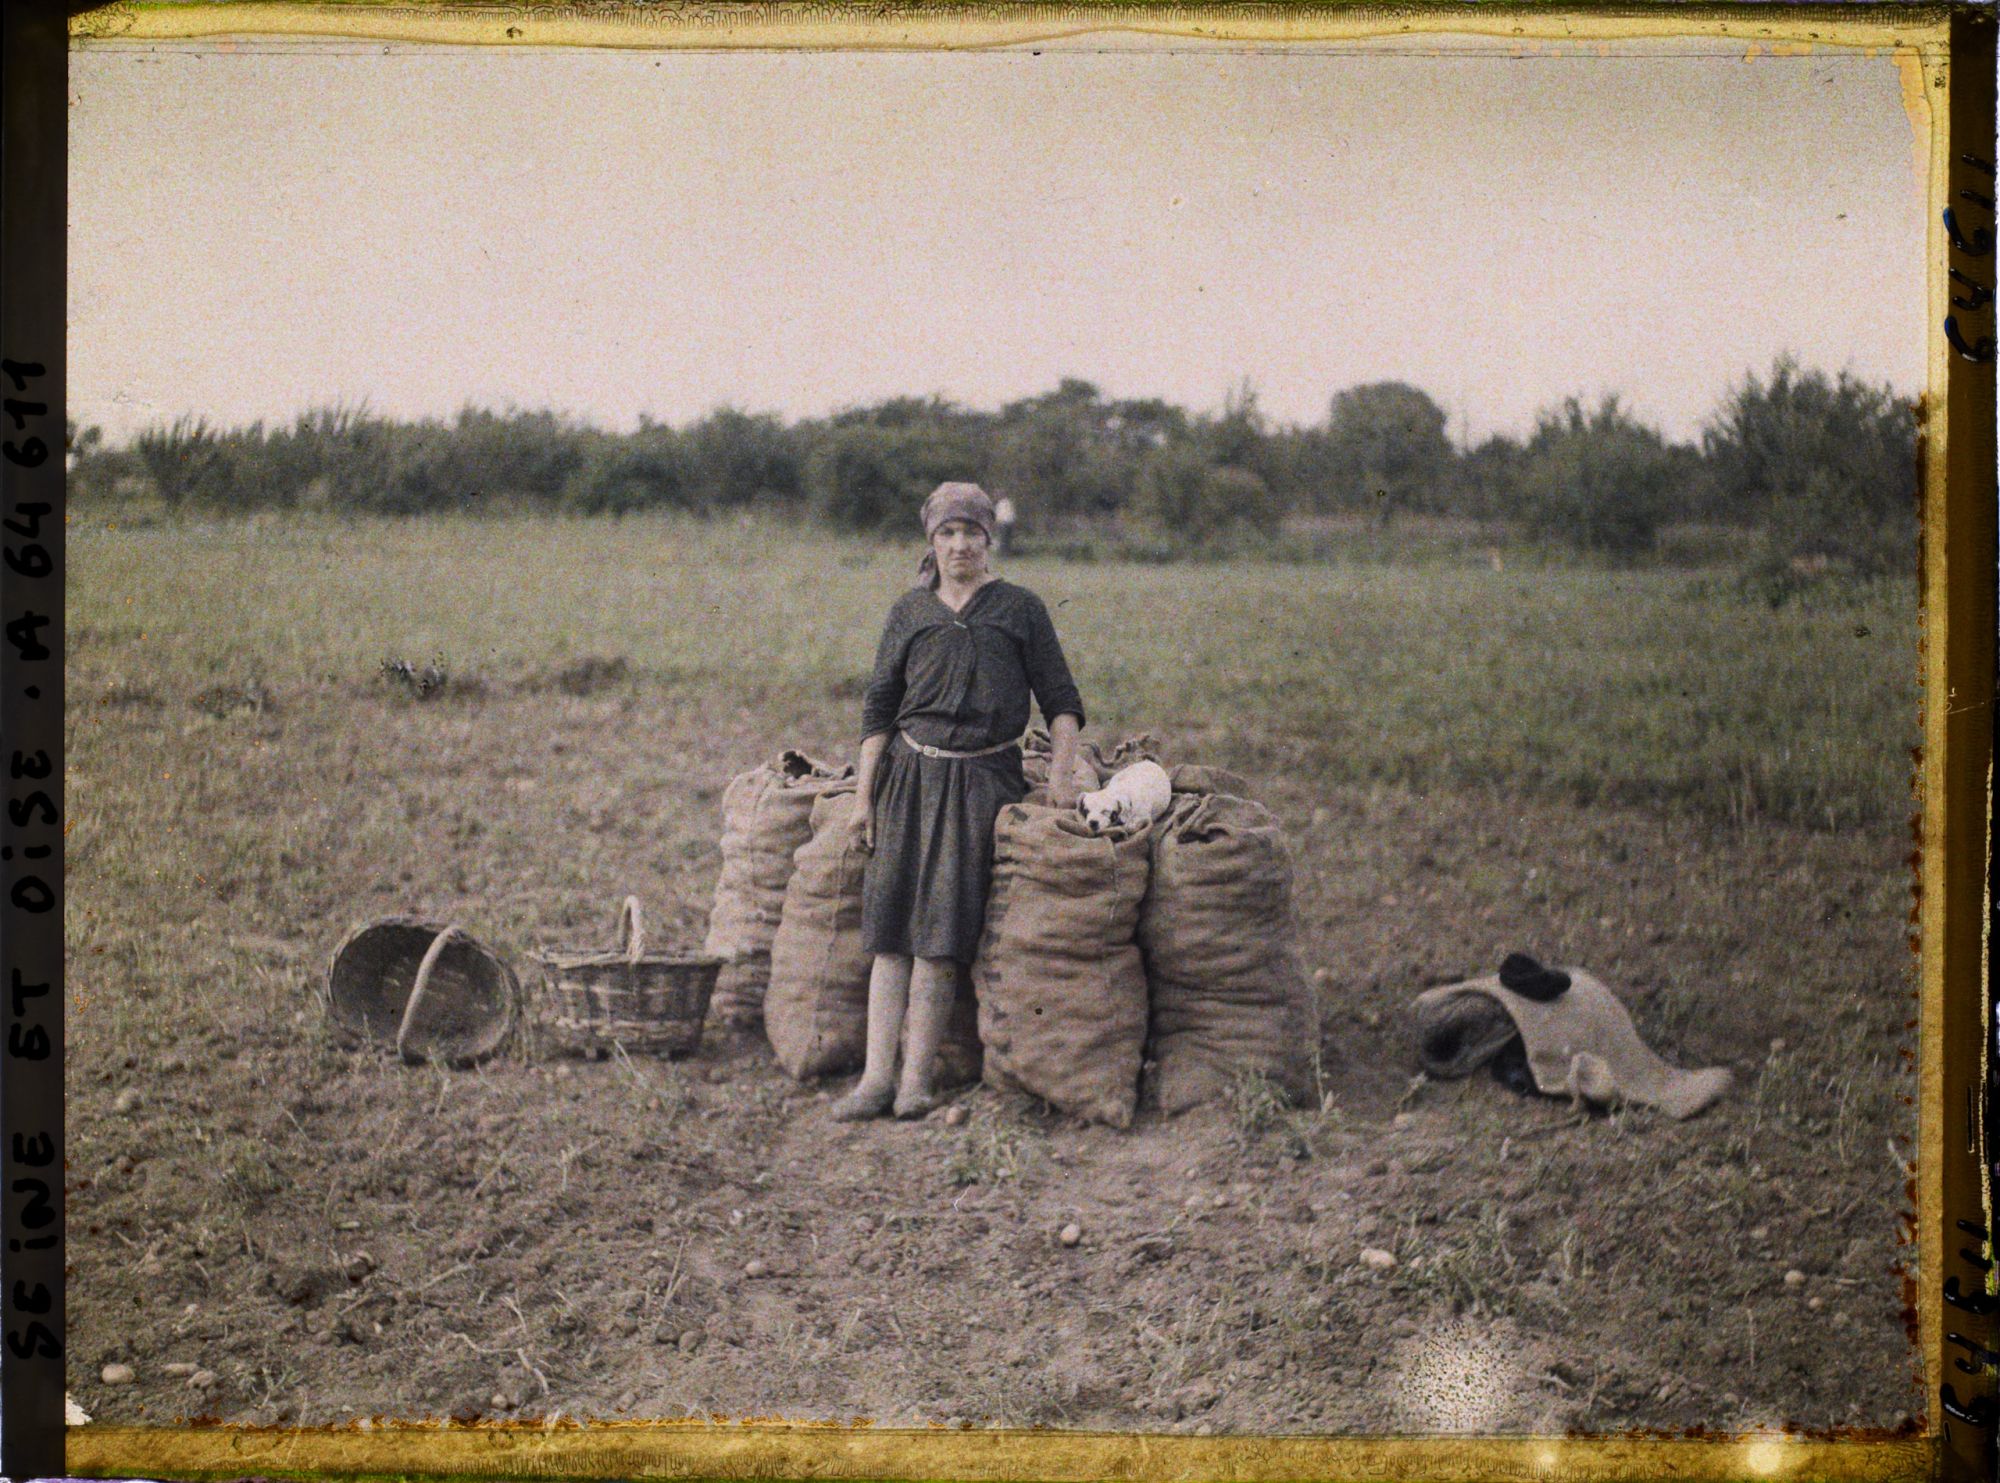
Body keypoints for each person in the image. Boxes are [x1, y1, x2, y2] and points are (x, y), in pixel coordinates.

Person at [833, 481, 1086, 1121]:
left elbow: (1061, 701)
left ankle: (915, 1083)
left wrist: (1062, 775)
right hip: (906, 780)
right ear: (932, 541)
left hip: (982, 784)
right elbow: (878, 710)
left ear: (988, 539)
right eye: (947, 533)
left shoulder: (1019, 609)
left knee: (941, 934)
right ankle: (875, 1080)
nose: (959, 545)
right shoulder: (910, 612)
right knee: (889, 930)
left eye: (971, 532)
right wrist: (863, 799)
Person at [992, 491, 1017, 556]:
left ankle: (1004, 553)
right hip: (1009, 522)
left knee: (1003, 538)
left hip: (1003, 523)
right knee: (1007, 539)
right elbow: (1012, 514)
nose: (995, 497)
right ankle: (1007, 552)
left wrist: (996, 523)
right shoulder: (1008, 502)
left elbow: (1000, 515)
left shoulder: (1000, 504)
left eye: (996, 495)